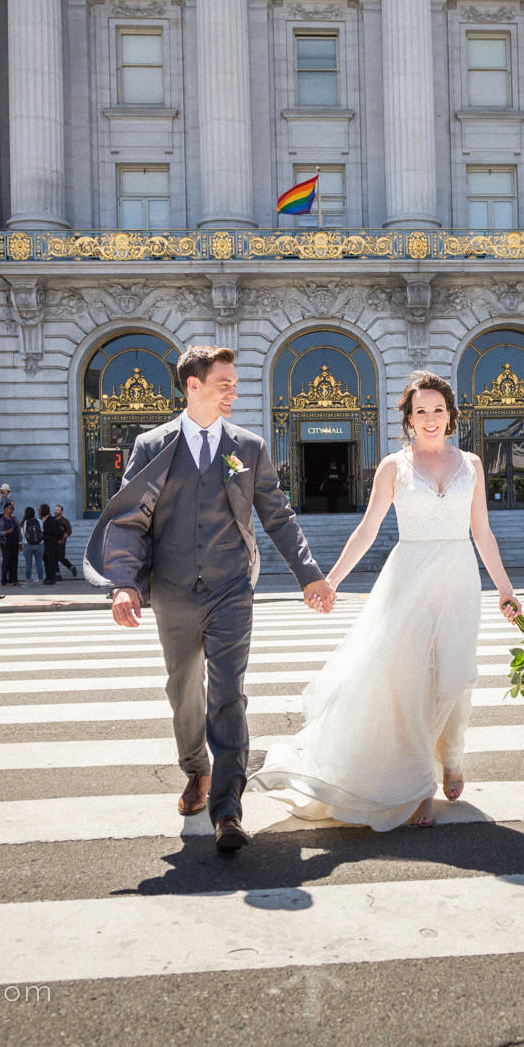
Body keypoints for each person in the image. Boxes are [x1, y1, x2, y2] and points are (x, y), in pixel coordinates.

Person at [87, 344, 334, 853]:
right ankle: (196, 771)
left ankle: (228, 809)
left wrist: (309, 574)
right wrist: (124, 583)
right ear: (192, 386)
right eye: (223, 382)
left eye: (234, 382)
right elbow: (130, 519)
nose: (233, 390)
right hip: (174, 592)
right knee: (184, 691)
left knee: (228, 695)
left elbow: (278, 515)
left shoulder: (249, 446)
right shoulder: (152, 444)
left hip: (231, 589)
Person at [252, 370, 518, 830]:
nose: (430, 419)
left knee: (454, 676)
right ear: (409, 419)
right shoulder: (393, 466)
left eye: (438, 410)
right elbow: (368, 529)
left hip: (457, 578)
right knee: (409, 683)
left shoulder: (471, 464)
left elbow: (483, 532)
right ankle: (417, 786)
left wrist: (506, 589)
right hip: (407, 578)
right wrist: (330, 580)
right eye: (421, 412)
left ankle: (451, 757)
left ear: (451, 416)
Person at [46, 505, 77, 579]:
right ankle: (57, 574)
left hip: (61, 543)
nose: (55, 511)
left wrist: (62, 539)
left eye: (57, 510)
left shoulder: (65, 521)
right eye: (55, 510)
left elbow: (68, 531)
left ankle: (71, 566)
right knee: (53, 558)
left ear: (61, 512)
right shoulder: (52, 520)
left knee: (60, 557)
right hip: (53, 542)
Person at [0, 503, 22, 585]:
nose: (12, 510)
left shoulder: (15, 519)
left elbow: (19, 532)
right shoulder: (2, 520)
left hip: (15, 543)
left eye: (13, 508)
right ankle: (4, 581)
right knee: (6, 561)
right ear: (5, 509)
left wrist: (20, 543)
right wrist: (6, 532)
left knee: (14, 562)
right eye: (10, 508)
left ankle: (13, 580)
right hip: (5, 544)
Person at [22, 505, 45, 585]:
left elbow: (24, 533)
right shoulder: (39, 521)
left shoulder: (25, 522)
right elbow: (42, 532)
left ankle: (28, 579)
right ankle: (41, 579)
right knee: (39, 562)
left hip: (27, 544)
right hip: (39, 544)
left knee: (28, 563)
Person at [39, 504, 60, 583]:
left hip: (51, 543)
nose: (38, 511)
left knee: (51, 560)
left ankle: (52, 578)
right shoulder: (40, 519)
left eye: (40, 509)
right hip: (43, 543)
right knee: (45, 561)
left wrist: (45, 531)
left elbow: (55, 531)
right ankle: (48, 576)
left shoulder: (51, 520)